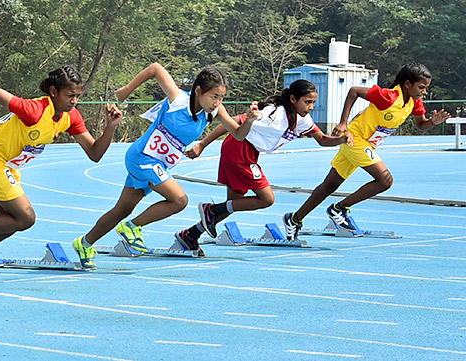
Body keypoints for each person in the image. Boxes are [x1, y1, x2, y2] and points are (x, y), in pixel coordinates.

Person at [0, 65, 124, 276]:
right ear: (54, 92)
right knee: (25, 218)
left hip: (7, 165)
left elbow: (94, 153)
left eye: (77, 96)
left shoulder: (70, 116)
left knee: (8, 224)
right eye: (69, 95)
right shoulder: (34, 110)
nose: (74, 101)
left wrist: (111, 127)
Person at [72, 63, 252, 269]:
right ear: (199, 91)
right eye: (214, 96)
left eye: (221, 98)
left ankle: (85, 243)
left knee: (122, 209)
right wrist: (126, 90)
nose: (217, 103)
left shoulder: (214, 112)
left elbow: (238, 133)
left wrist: (250, 120)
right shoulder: (178, 99)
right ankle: (132, 227)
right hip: (143, 157)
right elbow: (156, 68)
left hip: (158, 164)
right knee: (179, 200)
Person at [281, 63, 450, 240]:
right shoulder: (388, 96)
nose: (424, 92)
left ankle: (294, 219)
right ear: (407, 84)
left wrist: (433, 122)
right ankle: (339, 209)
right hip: (354, 138)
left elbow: (420, 124)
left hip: (365, 144)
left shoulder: (414, 102)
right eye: (421, 87)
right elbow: (354, 91)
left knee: (329, 185)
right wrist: (343, 122)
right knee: (385, 180)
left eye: (426, 88)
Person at [179, 80, 350, 244]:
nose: (311, 107)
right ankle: (211, 210)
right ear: (293, 99)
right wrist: (202, 144)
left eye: (313, 102)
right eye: (307, 102)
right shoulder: (273, 113)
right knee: (266, 199)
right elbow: (232, 122)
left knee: (234, 203)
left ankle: (190, 235)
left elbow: (322, 139)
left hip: (248, 152)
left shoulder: (303, 119)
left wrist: (342, 140)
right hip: (240, 149)